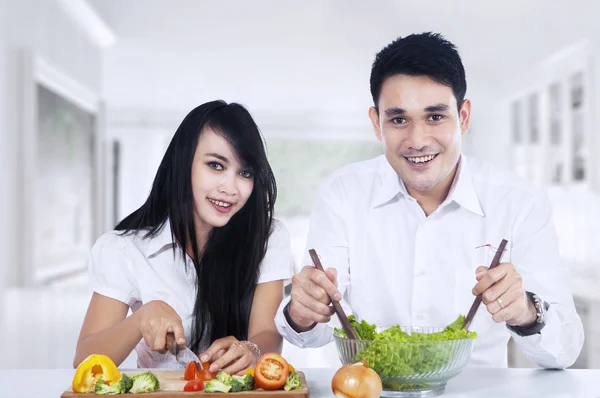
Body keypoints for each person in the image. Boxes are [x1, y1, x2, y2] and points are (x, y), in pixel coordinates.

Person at [274, 32, 584, 369]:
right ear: (376, 124)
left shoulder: (519, 203)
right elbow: (313, 333)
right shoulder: (341, 195)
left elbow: (565, 351)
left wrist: (526, 311)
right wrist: (302, 311)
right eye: (398, 119)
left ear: (463, 117)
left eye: (435, 117)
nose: (417, 140)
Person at [74, 100, 294, 374]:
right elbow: (84, 360)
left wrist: (251, 350)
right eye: (216, 165)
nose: (230, 188)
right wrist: (142, 319)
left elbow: (266, 334)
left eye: (245, 173)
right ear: (183, 164)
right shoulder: (123, 248)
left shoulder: (268, 237)